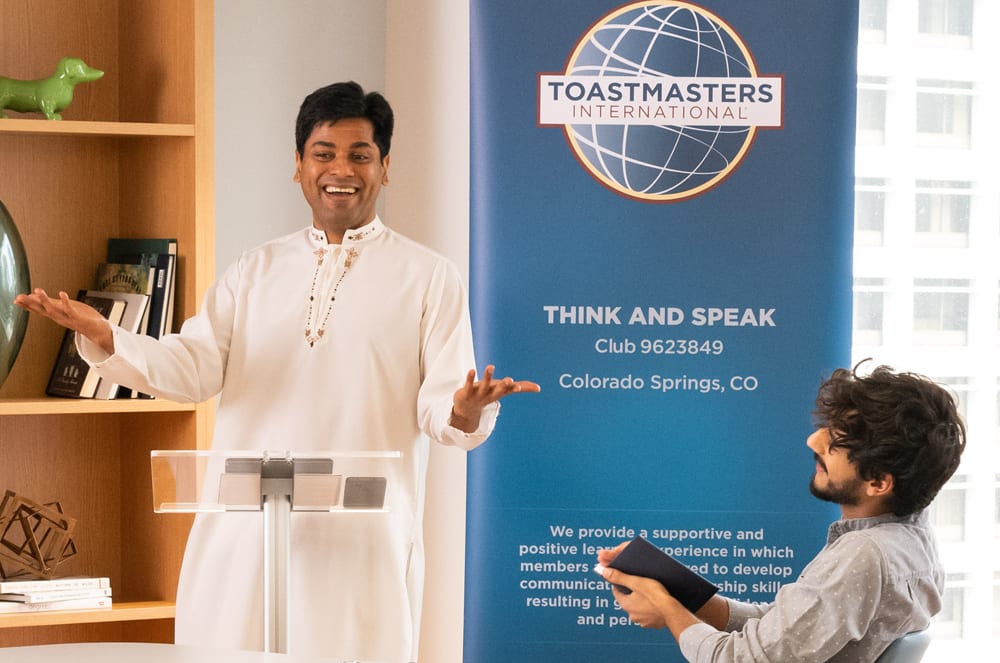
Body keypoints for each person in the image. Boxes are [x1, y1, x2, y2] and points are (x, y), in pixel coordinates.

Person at [15, 81, 539, 662]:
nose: (341, 169)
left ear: (385, 168)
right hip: (243, 537)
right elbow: (192, 368)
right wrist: (107, 335)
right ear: (298, 166)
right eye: (324, 153)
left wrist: (466, 409)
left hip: (359, 543)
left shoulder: (428, 276)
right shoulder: (254, 270)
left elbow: (442, 403)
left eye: (360, 155)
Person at [595, 362, 965, 662]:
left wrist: (665, 609)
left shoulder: (865, 555)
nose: (813, 441)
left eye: (836, 442)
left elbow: (737, 660)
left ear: (879, 482)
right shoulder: (911, 537)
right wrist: (682, 594)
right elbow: (782, 631)